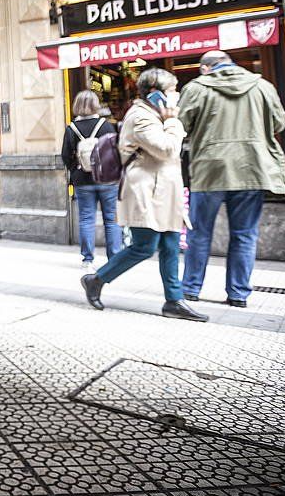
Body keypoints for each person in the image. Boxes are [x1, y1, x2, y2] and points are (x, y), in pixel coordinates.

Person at [80, 68, 208, 322]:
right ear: (155, 93)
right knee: (144, 246)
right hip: (146, 191)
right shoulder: (140, 116)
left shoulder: (155, 114)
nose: (176, 94)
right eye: (171, 90)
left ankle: (174, 300)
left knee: (171, 244)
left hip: (164, 191)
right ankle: (96, 279)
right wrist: (173, 121)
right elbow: (167, 148)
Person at [177, 50, 285, 308]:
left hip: (209, 170)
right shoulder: (262, 86)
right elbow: (279, 123)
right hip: (252, 167)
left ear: (205, 68)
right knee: (245, 235)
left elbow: (181, 126)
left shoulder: (196, 88)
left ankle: (191, 289)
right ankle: (238, 294)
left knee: (199, 234)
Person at [61, 90, 121, 269]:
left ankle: (88, 258)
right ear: (96, 105)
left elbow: (65, 156)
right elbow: (116, 151)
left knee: (86, 219)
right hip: (107, 179)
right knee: (111, 219)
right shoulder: (106, 125)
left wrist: (76, 169)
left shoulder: (71, 128)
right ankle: (114, 258)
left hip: (82, 180)